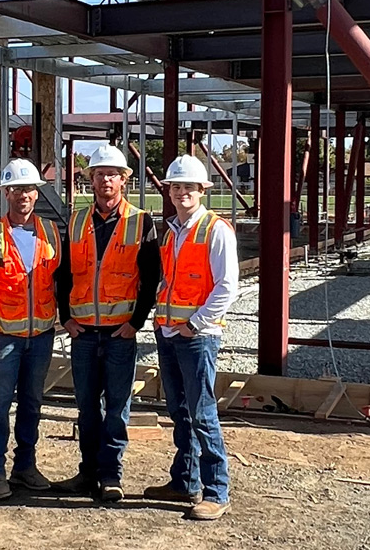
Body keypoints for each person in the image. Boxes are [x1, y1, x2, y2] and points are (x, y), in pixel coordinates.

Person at [56, 144, 159, 502]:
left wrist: (137, 322)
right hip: (83, 331)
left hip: (119, 333)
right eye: (99, 175)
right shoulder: (75, 221)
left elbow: (151, 276)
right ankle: (88, 472)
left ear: (124, 180)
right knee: (86, 406)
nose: (105, 181)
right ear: (92, 181)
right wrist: (65, 318)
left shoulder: (141, 221)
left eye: (112, 175)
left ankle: (111, 475)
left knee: (116, 408)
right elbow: (63, 275)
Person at [143, 155, 239, 521]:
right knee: (180, 412)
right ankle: (185, 480)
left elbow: (227, 287)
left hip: (196, 336)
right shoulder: (173, 232)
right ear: (168, 191)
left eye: (188, 187)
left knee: (202, 413)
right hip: (170, 332)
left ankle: (216, 491)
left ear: (202, 191)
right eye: (176, 187)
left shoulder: (216, 230)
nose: (181, 192)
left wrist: (195, 325)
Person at [0, 158, 66, 500]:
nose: (22, 195)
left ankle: (25, 465)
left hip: (40, 334)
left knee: (31, 402)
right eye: (15, 189)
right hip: (2, 336)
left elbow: (59, 279)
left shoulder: (51, 231)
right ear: (6, 194)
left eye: (28, 189)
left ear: (36, 193)